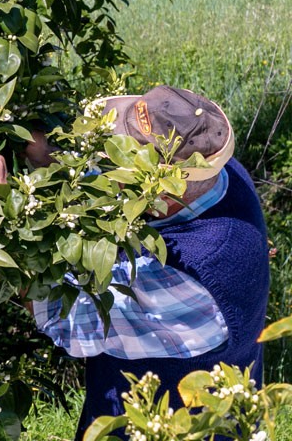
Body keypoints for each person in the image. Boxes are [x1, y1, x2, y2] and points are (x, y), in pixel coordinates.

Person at [30, 86, 270, 437]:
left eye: (125, 155)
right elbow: (107, 177)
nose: (111, 159)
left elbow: (63, 319)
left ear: (162, 187)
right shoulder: (218, 172)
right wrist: (42, 150)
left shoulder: (195, 274)